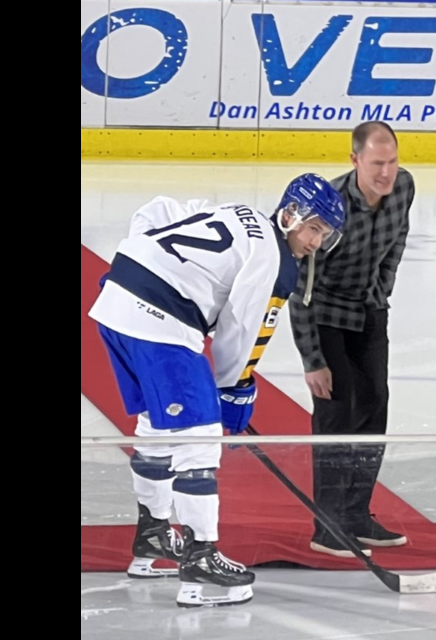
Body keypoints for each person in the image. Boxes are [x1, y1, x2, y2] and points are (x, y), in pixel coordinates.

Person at [88, 174, 346, 607]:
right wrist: (234, 390)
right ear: (290, 215)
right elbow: (241, 330)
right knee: (202, 436)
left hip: (114, 300)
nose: (316, 241)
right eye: (314, 228)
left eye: (325, 234)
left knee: (156, 425)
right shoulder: (275, 261)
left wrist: (147, 261)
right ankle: (200, 557)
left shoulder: (235, 212)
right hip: (159, 320)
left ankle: (153, 535)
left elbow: (159, 206)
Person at [290, 121, 414, 558]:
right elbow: (300, 290)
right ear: (355, 160)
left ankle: (356, 512)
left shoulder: (404, 188)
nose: (386, 172)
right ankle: (327, 526)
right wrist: (312, 359)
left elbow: (398, 239)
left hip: (370, 309)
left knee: (375, 406)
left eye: (392, 161)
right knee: (336, 413)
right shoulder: (328, 208)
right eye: (377, 163)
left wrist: (382, 290)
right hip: (326, 315)